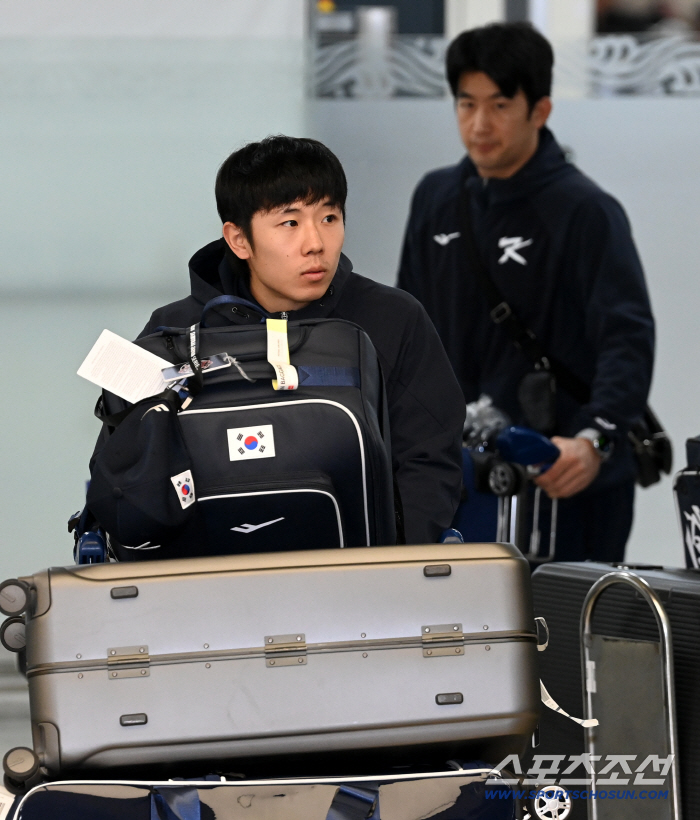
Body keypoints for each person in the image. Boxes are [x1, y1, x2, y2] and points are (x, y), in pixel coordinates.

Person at [397, 23, 655, 562]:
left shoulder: (585, 211)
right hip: (467, 479)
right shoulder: (436, 197)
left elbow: (626, 341)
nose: (479, 124)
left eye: (499, 105)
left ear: (540, 110)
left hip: (565, 474)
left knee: (559, 635)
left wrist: (595, 442)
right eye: (466, 104)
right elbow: (408, 334)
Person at [137, 135, 465, 545]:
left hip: (357, 578)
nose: (315, 244)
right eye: (290, 223)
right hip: (206, 581)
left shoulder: (393, 319)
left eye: (329, 218)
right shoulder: (173, 334)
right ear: (239, 239)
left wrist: (392, 573)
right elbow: (130, 467)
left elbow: (429, 461)